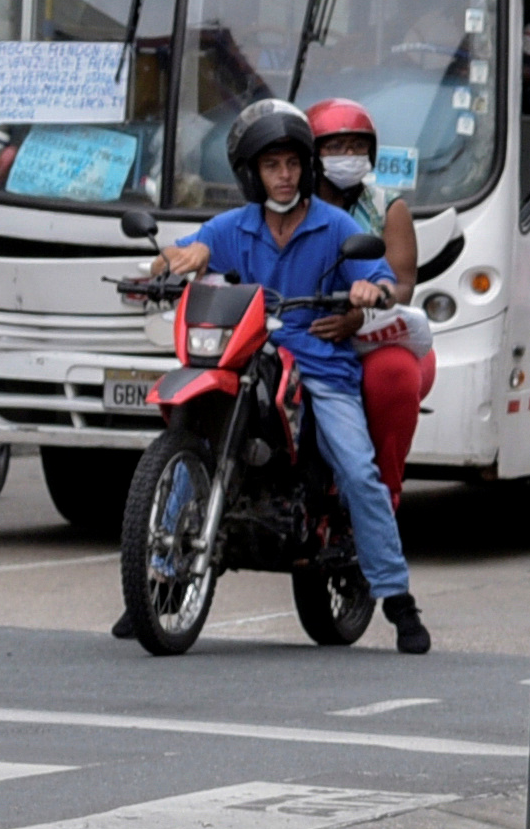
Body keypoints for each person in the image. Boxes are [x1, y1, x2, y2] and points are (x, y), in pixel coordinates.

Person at [151, 102, 426, 655]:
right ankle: (157, 578)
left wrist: (368, 291)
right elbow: (182, 255)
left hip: (321, 365)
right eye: (272, 165)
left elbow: (384, 280)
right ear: (253, 173)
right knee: (192, 436)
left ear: (305, 168)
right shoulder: (233, 226)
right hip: (246, 356)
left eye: (293, 164)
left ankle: (398, 599)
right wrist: (174, 260)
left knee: (357, 468)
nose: (284, 175)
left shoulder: (336, 226)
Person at [305, 101, 427, 501]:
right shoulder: (292, 206)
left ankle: (380, 497)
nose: (348, 156)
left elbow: (402, 286)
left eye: (357, 147)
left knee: (393, 373)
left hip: (373, 337)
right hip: (303, 330)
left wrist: (367, 307)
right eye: (335, 147)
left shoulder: (387, 207)